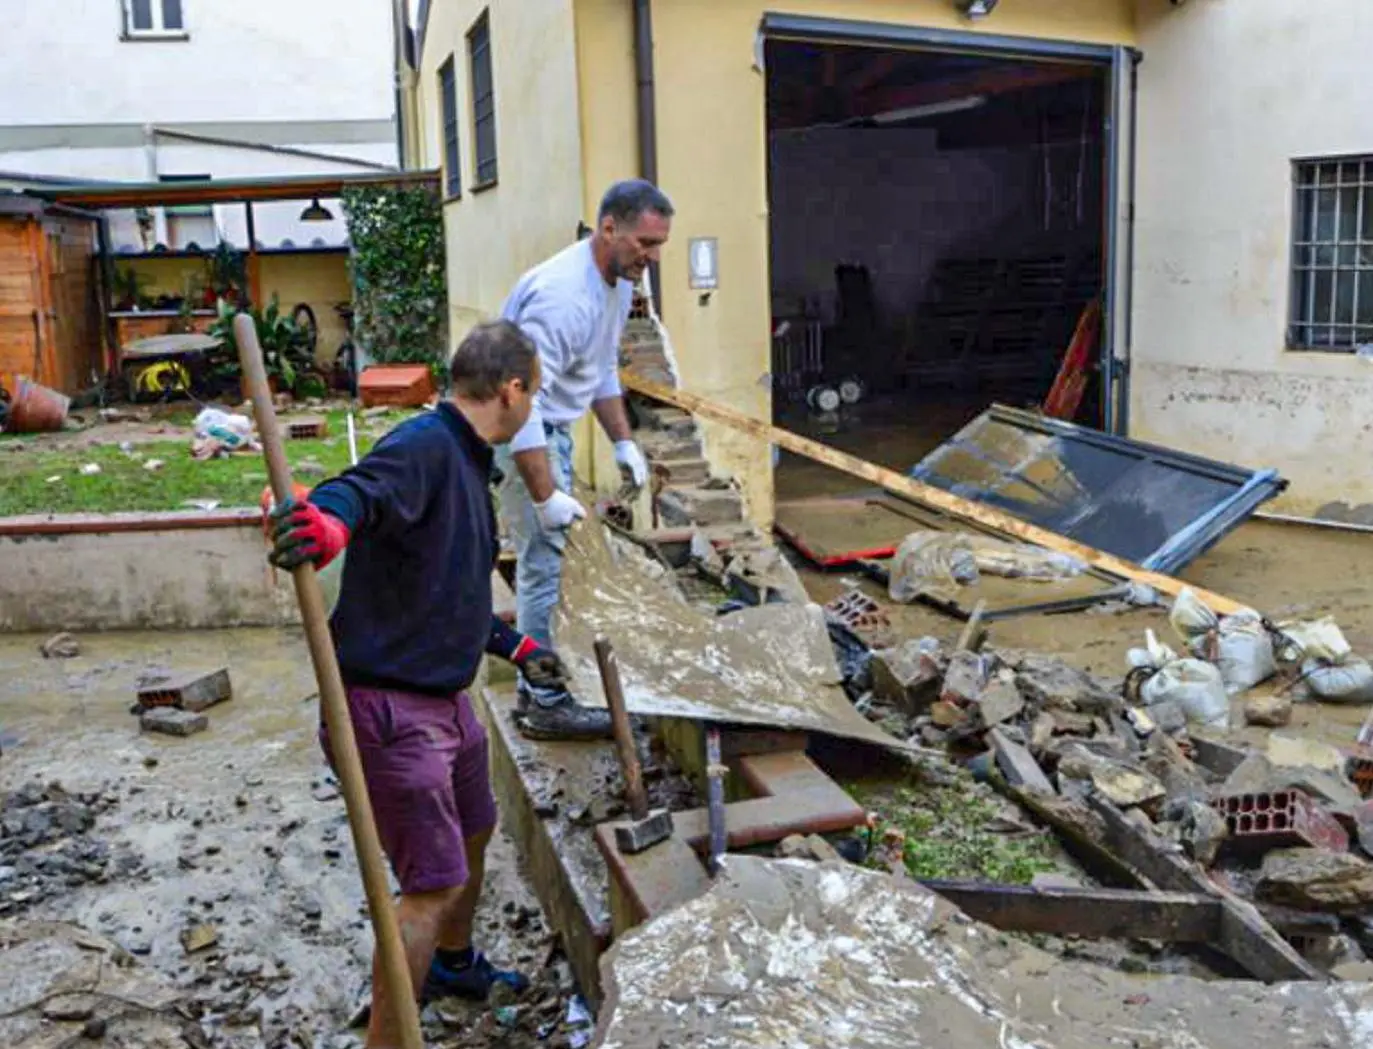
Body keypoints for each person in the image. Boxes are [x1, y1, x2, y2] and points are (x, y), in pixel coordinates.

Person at [267, 321, 564, 1049]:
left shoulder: (467, 462)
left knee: (475, 828)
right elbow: (354, 492)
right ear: (511, 389)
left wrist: (513, 643)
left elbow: (450, 584)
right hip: (390, 711)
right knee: (427, 886)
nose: (536, 409)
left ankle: (453, 964)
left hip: (442, 701)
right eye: (536, 393)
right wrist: (328, 527)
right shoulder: (424, 446)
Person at [497, 178, 674, 739]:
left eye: (659, 245)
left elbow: (598, 369)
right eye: (645, 243)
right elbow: (518, 400)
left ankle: (548, 681)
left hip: (552, 426)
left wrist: (623, 440)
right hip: (521, 427)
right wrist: (546, 495)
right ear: (609, 228)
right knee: (544, 565)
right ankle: (543, 700)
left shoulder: (617, 282)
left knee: (557, 562)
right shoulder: (560, 298)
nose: (651, 257)